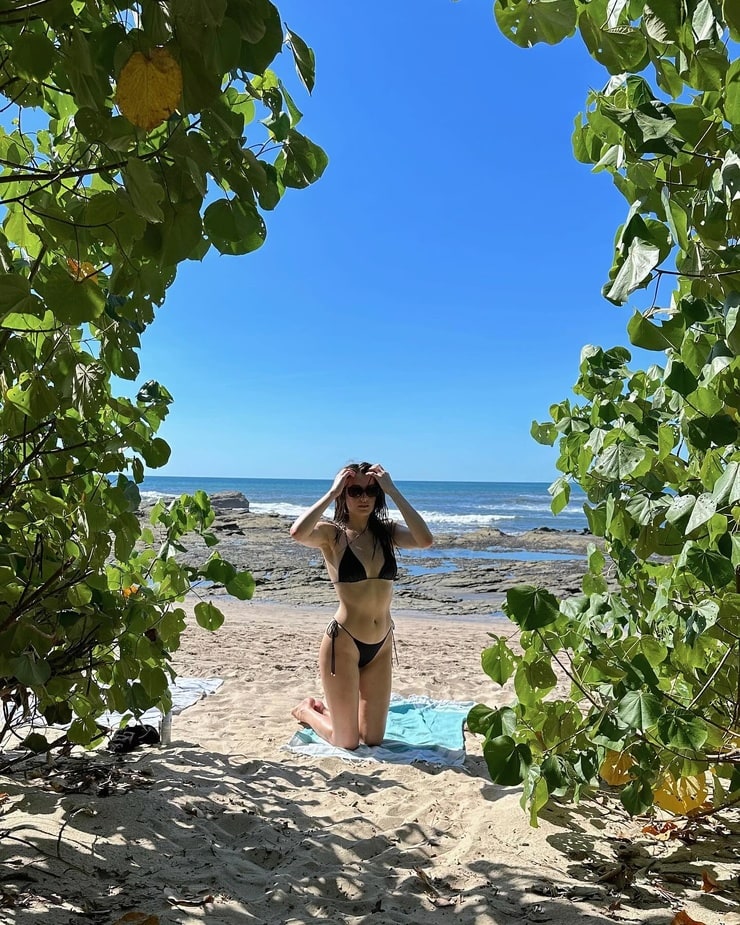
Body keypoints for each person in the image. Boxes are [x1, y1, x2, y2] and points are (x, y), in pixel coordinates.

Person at [290, 462, 433, 749]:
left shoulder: (387, 532)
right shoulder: (332, 535)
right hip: (343, 642)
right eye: (354, 491)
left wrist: (392, 490)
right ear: (345, 494)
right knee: (347, 742)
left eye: (371, 490)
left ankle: (338, 714)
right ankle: (306, 710)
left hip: (381, 645)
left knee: (373, 739)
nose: (364, 497)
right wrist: (331, 493)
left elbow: (425, 540)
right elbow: (298, 532)